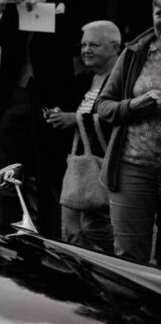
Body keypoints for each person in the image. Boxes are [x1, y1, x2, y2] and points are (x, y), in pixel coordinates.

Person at [0, 0, 89, 238]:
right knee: (9, 178)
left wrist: (44, 11)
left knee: (51, 178)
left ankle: (52, 246)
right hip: (13, 99)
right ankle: (9, 241)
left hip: (53, 101)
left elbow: (81, 50)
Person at [42, 20, 121, 252]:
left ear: (115, 48)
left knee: (96, 230)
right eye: (84, 44)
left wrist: (75, 119)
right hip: (78, 167)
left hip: (105, 167)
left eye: (94, 44)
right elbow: (74, 110)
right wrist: (59, 114)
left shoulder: (122, 81)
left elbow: (116, 118)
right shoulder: (84, 79)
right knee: (72, 233)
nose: (86, 50)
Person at [96, 0, 161, 263]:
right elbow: (103, 105)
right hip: (132, 167)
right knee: (129, 260)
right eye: (159, 12)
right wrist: (135, 105)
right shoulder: (136, 52)